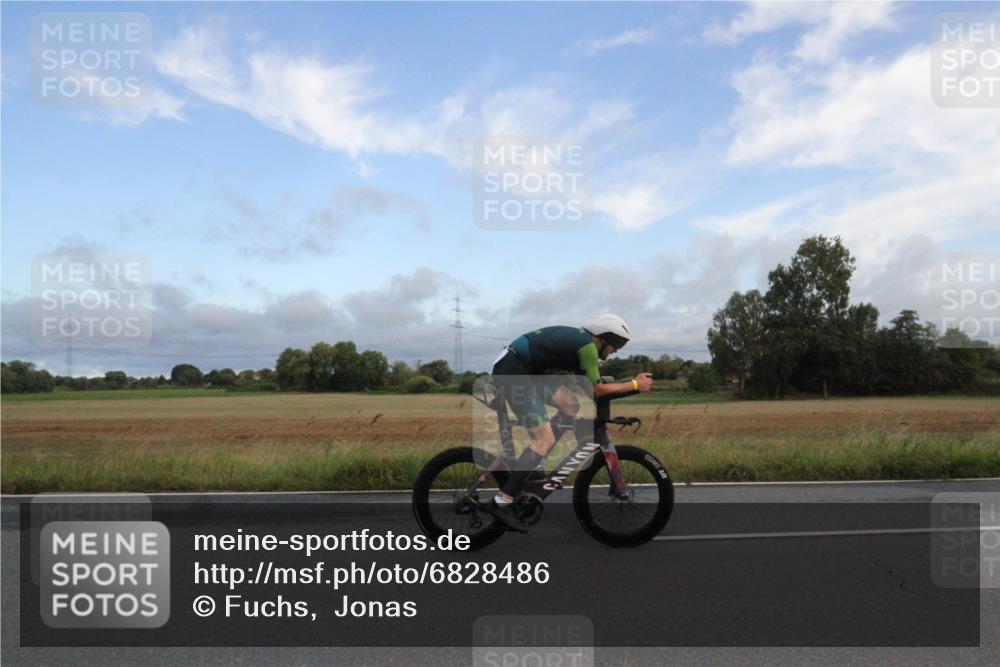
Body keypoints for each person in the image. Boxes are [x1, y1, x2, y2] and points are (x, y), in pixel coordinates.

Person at [485, 314, 653, 531]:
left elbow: (587, 388)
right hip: (515, 371)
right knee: (543, 438)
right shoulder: (587, 347)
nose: (616, 351)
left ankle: (537, 463)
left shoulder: (581, 343)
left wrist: (628, 386)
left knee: (570, 405)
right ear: (604, 338)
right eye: (617, 345)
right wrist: (634, 385)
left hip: (525, 368)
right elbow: (595, 390)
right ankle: (501, 502)